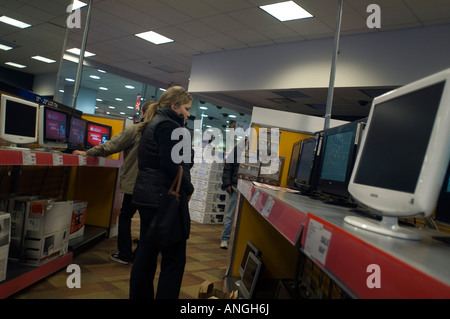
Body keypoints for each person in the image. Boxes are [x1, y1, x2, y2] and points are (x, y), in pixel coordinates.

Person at [130, 86, 194, 299]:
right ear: (174, 105)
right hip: (163, 198)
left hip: (147, 196)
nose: (188, 113)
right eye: (186, 108)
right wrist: (188, 188)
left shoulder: (153, 123)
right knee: (174, 259)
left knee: (146, 255)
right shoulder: (168, 126)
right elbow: (173, 164)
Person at [73, 101, 151, 265]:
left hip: (134, 184)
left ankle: (124, 254)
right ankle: (139, 255)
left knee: (125, 217)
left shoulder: (136, 129)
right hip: (150, 185)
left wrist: (88, 152)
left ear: (143, 112)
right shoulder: (157, 132)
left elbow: (110, 146)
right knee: (147, 222)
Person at [220, 121, 240, 249]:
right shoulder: (238, 149)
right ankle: (225, 239)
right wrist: (227, 184)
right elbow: (228, 167)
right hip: (235, 187)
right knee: (230, 215)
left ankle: (235, 240)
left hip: (250, 191)